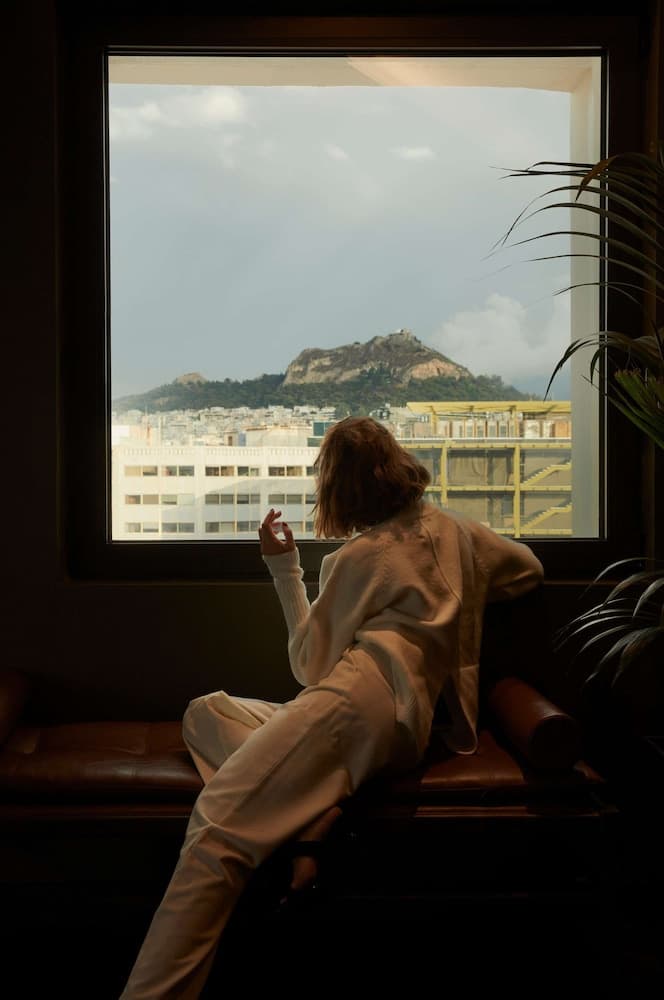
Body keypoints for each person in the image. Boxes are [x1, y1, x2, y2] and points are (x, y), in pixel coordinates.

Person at [120, 416, 544, 999]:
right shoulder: (457, 531)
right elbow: (529, 570)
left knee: (216, 827)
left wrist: (284, 567)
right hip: (405, 728)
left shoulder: (360, 558)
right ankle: (308, 822)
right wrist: (462, 591)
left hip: (354, 703)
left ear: (339, 487)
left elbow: (310, 667)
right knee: (205, 713)